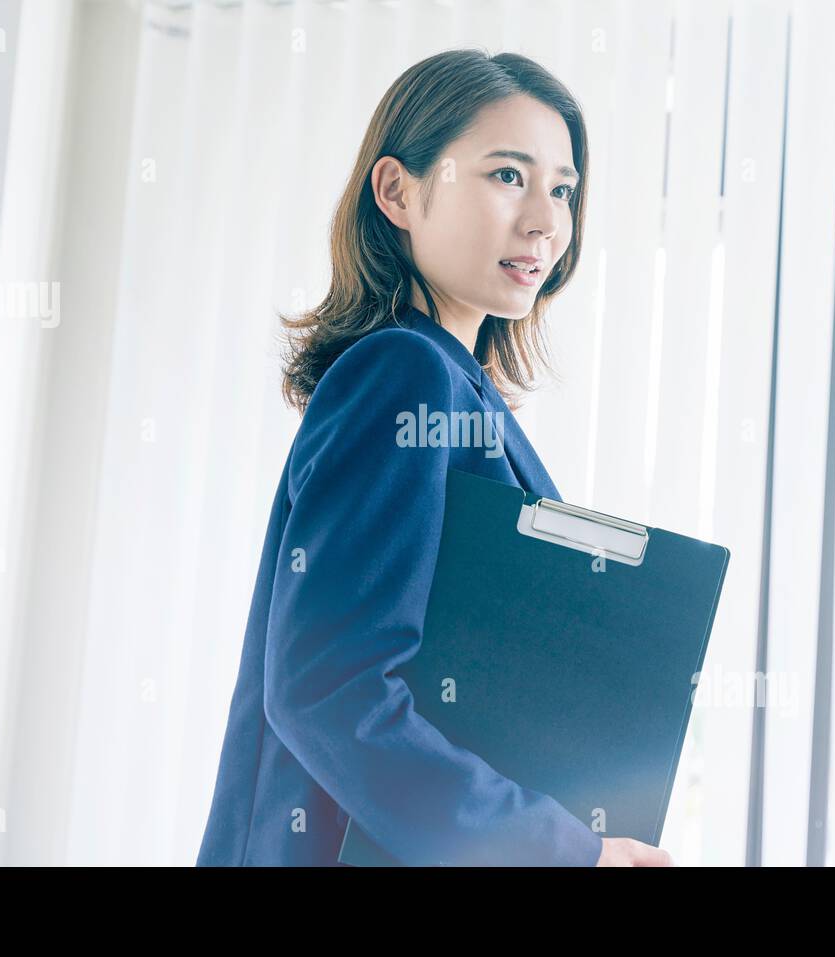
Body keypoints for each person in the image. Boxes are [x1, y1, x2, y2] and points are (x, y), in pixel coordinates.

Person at [197, 48, 673, 867]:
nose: (545, 222)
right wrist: (562, 852)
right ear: (398, 192)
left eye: (561, 189)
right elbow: (327, 692)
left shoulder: (458, 392)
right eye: (506, 177)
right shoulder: (403, 376)